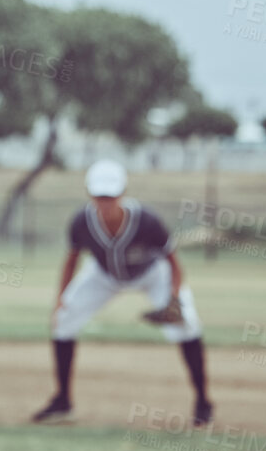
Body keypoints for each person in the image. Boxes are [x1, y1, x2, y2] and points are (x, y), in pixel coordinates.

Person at [32, 160, 212, 427]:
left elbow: (174, 263)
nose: (105, 202)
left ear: (122, 193)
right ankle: (62, 401)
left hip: (153, 275)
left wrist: (174, 298)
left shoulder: (147, 221)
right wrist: (61, 298)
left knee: (187, 324)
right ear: (90, 195)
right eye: (99, 196)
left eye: (111, 196)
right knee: (64, 319)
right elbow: (72, 259)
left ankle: (203, 400)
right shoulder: (82, 221)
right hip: (104, 275)